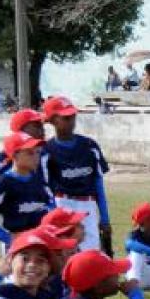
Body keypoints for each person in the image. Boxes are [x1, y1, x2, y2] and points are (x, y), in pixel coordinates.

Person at [41, 96, 113, 254]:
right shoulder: (47, 151)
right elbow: (45, 190)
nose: (71, 121)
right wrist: (54, 216)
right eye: (66, 118)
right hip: (62, 204)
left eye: (73, 116)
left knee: (91, 254)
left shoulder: (89, 145)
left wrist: (105, 218)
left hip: (88, 204)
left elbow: (98, 184)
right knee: (65, 254)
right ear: (52, 120)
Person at [0, 132, 56, 252]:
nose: (36, 157)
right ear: (15, 156)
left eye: (37, 152)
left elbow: (50, 202)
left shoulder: (37, 178)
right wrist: (5, 237)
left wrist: (49, 224)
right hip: (17, 242)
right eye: (30, 153)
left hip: (40, 238)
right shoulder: (4, 183)